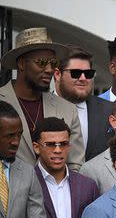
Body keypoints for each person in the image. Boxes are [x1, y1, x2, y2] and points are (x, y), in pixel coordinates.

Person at [0, 27, 84, 170]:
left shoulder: (67, 109)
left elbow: (75, 165)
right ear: (21, 63)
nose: (49, 69)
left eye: (53, 63)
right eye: (42, 62)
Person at [54, 46, 112, 161]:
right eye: (76, 73)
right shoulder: (41, 107)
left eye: (88, 73)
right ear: (57, 74)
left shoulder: (108, 110)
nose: (83, 78)